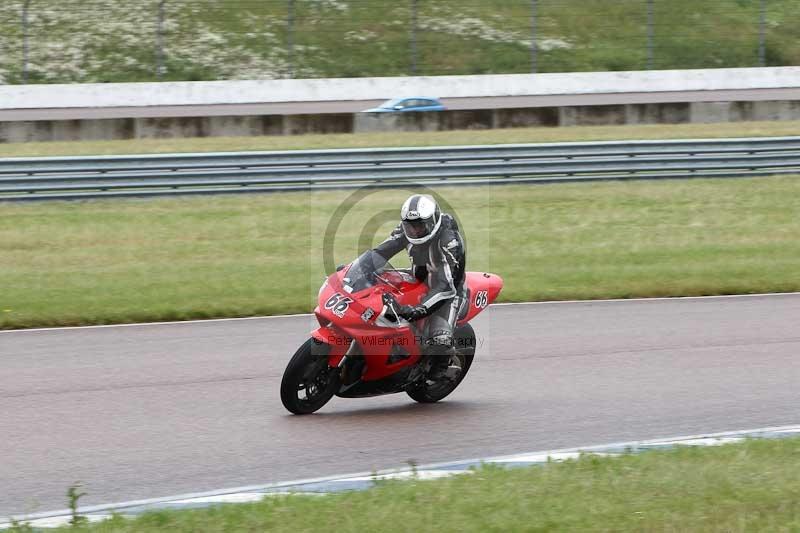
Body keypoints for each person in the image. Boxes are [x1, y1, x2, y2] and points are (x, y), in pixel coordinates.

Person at [374, 194, 466, 379]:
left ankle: (440, 368)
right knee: (378, 284)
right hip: (418, 277)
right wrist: (359, 267)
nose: (414, 231)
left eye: (419, 225)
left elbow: (445, 286)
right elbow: (382, 251)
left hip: (450, 290)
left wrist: (419, 309)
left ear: (432, 222)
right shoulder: (406, 230)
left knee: (440, 339)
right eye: (410, 225)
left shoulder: (449, 241)